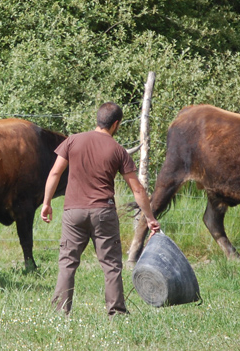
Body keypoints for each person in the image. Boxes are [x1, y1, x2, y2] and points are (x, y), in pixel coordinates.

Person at [41, 101, 161, 317]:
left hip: (73, 213)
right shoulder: (118, 150)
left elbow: (55, 173)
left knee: (67, 263)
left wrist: (47, 202)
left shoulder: (72, 141)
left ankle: (60, 312)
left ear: (97, 120)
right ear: (116, 124)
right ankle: (116, 311)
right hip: (103, 213)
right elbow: (137, 190)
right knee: (111, 265)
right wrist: (150, 217)